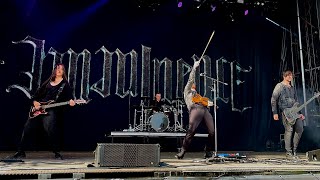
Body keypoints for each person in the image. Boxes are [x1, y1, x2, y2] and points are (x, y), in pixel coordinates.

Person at [12, 63, 75, 160]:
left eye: (61, 69)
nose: (59, 70)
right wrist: (35, 102)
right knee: (27, 128)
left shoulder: (65, 84)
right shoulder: (47, 82)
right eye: (57, 68)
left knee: (50, 130)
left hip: (51, 109)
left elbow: (70, 98)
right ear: (54, 70)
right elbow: (36, 95)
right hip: (38, 108)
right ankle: (20, 152)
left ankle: (57, 152)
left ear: (63, 72)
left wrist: (71, 102)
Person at [175, 60, 215, 159]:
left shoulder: (198, 95)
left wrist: (211, 104)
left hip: (204, 109)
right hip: (195, 108)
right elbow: (190, 80)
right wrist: (194, 68)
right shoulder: (187, 91)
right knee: (191, 130)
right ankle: (182, 151)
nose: (194, 85)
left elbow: (206, 102)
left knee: (212, 131)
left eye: (195, 85)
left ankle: (208, 151)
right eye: (193, 84)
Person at [271, 70, 304, 159]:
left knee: (300, 128)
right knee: (289, 130)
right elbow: (274, 99)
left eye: (291, 75)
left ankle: (295, 151)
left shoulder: (292, 87)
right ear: (284, 76)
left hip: (295, 112)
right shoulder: (279, 86)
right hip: (286, 112)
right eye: (288, 75)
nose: (290, 77)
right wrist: (275, 112)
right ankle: (288, 152)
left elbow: (297, 102)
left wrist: (300, 113)